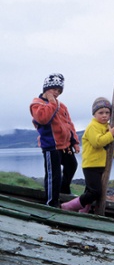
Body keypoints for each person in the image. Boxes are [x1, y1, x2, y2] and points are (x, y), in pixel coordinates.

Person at [61, 97, 114, 212]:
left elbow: (106, 146)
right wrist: (111, 134)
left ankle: (83, 211)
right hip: (91, 165)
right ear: (94, 114)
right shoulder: (93, 127)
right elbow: (98, 142)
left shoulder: (106, 127)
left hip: (101, 164)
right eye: (100, 113)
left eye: (107, 112)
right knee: (95, 192)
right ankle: (69, 206)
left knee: (91, 190)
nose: (104, 115)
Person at [30, 73, 80, 207]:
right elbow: (43, 118)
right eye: (54, 89)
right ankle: (51, 203)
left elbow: (69, 124)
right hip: (51, 146)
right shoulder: (36, 104)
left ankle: (63, 190)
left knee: (72, 166)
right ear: (46, 89)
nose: (57, 93)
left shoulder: (62, 106)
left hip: (65, 145)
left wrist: (74, 142)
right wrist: (52, 103)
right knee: (54, 175)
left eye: (59, 91)